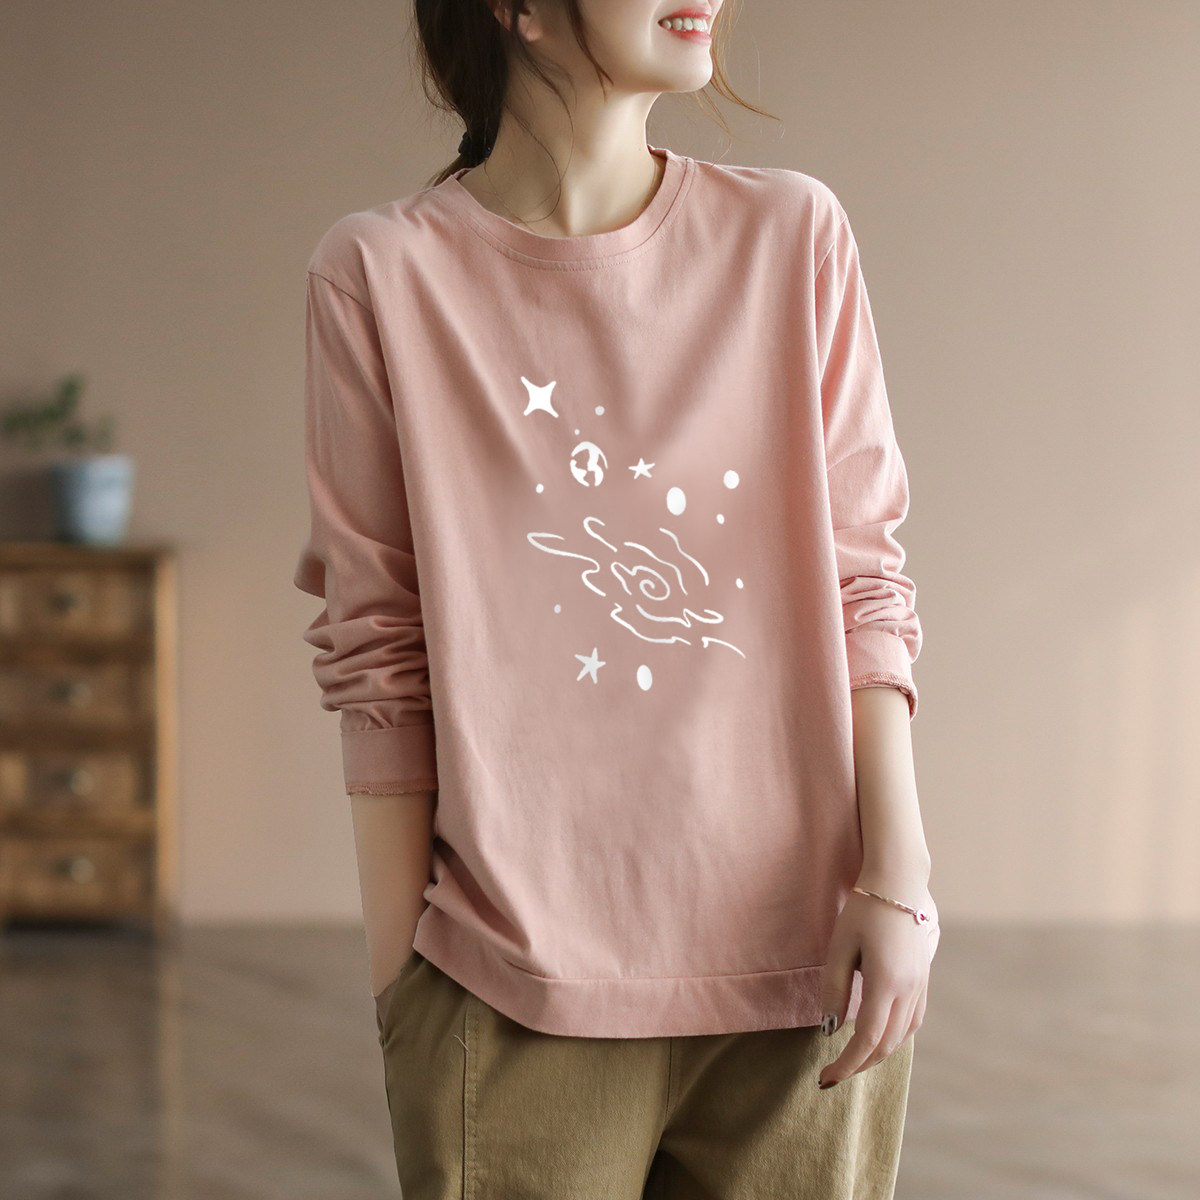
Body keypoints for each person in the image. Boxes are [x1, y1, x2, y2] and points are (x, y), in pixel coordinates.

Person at [292, 1, 940, 1196]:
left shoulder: (792, 233)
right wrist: (406, 992)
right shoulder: (380, 272)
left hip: (806, 974)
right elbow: (378, 643)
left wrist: (897, 878)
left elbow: (864, 577)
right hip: (506, 988)